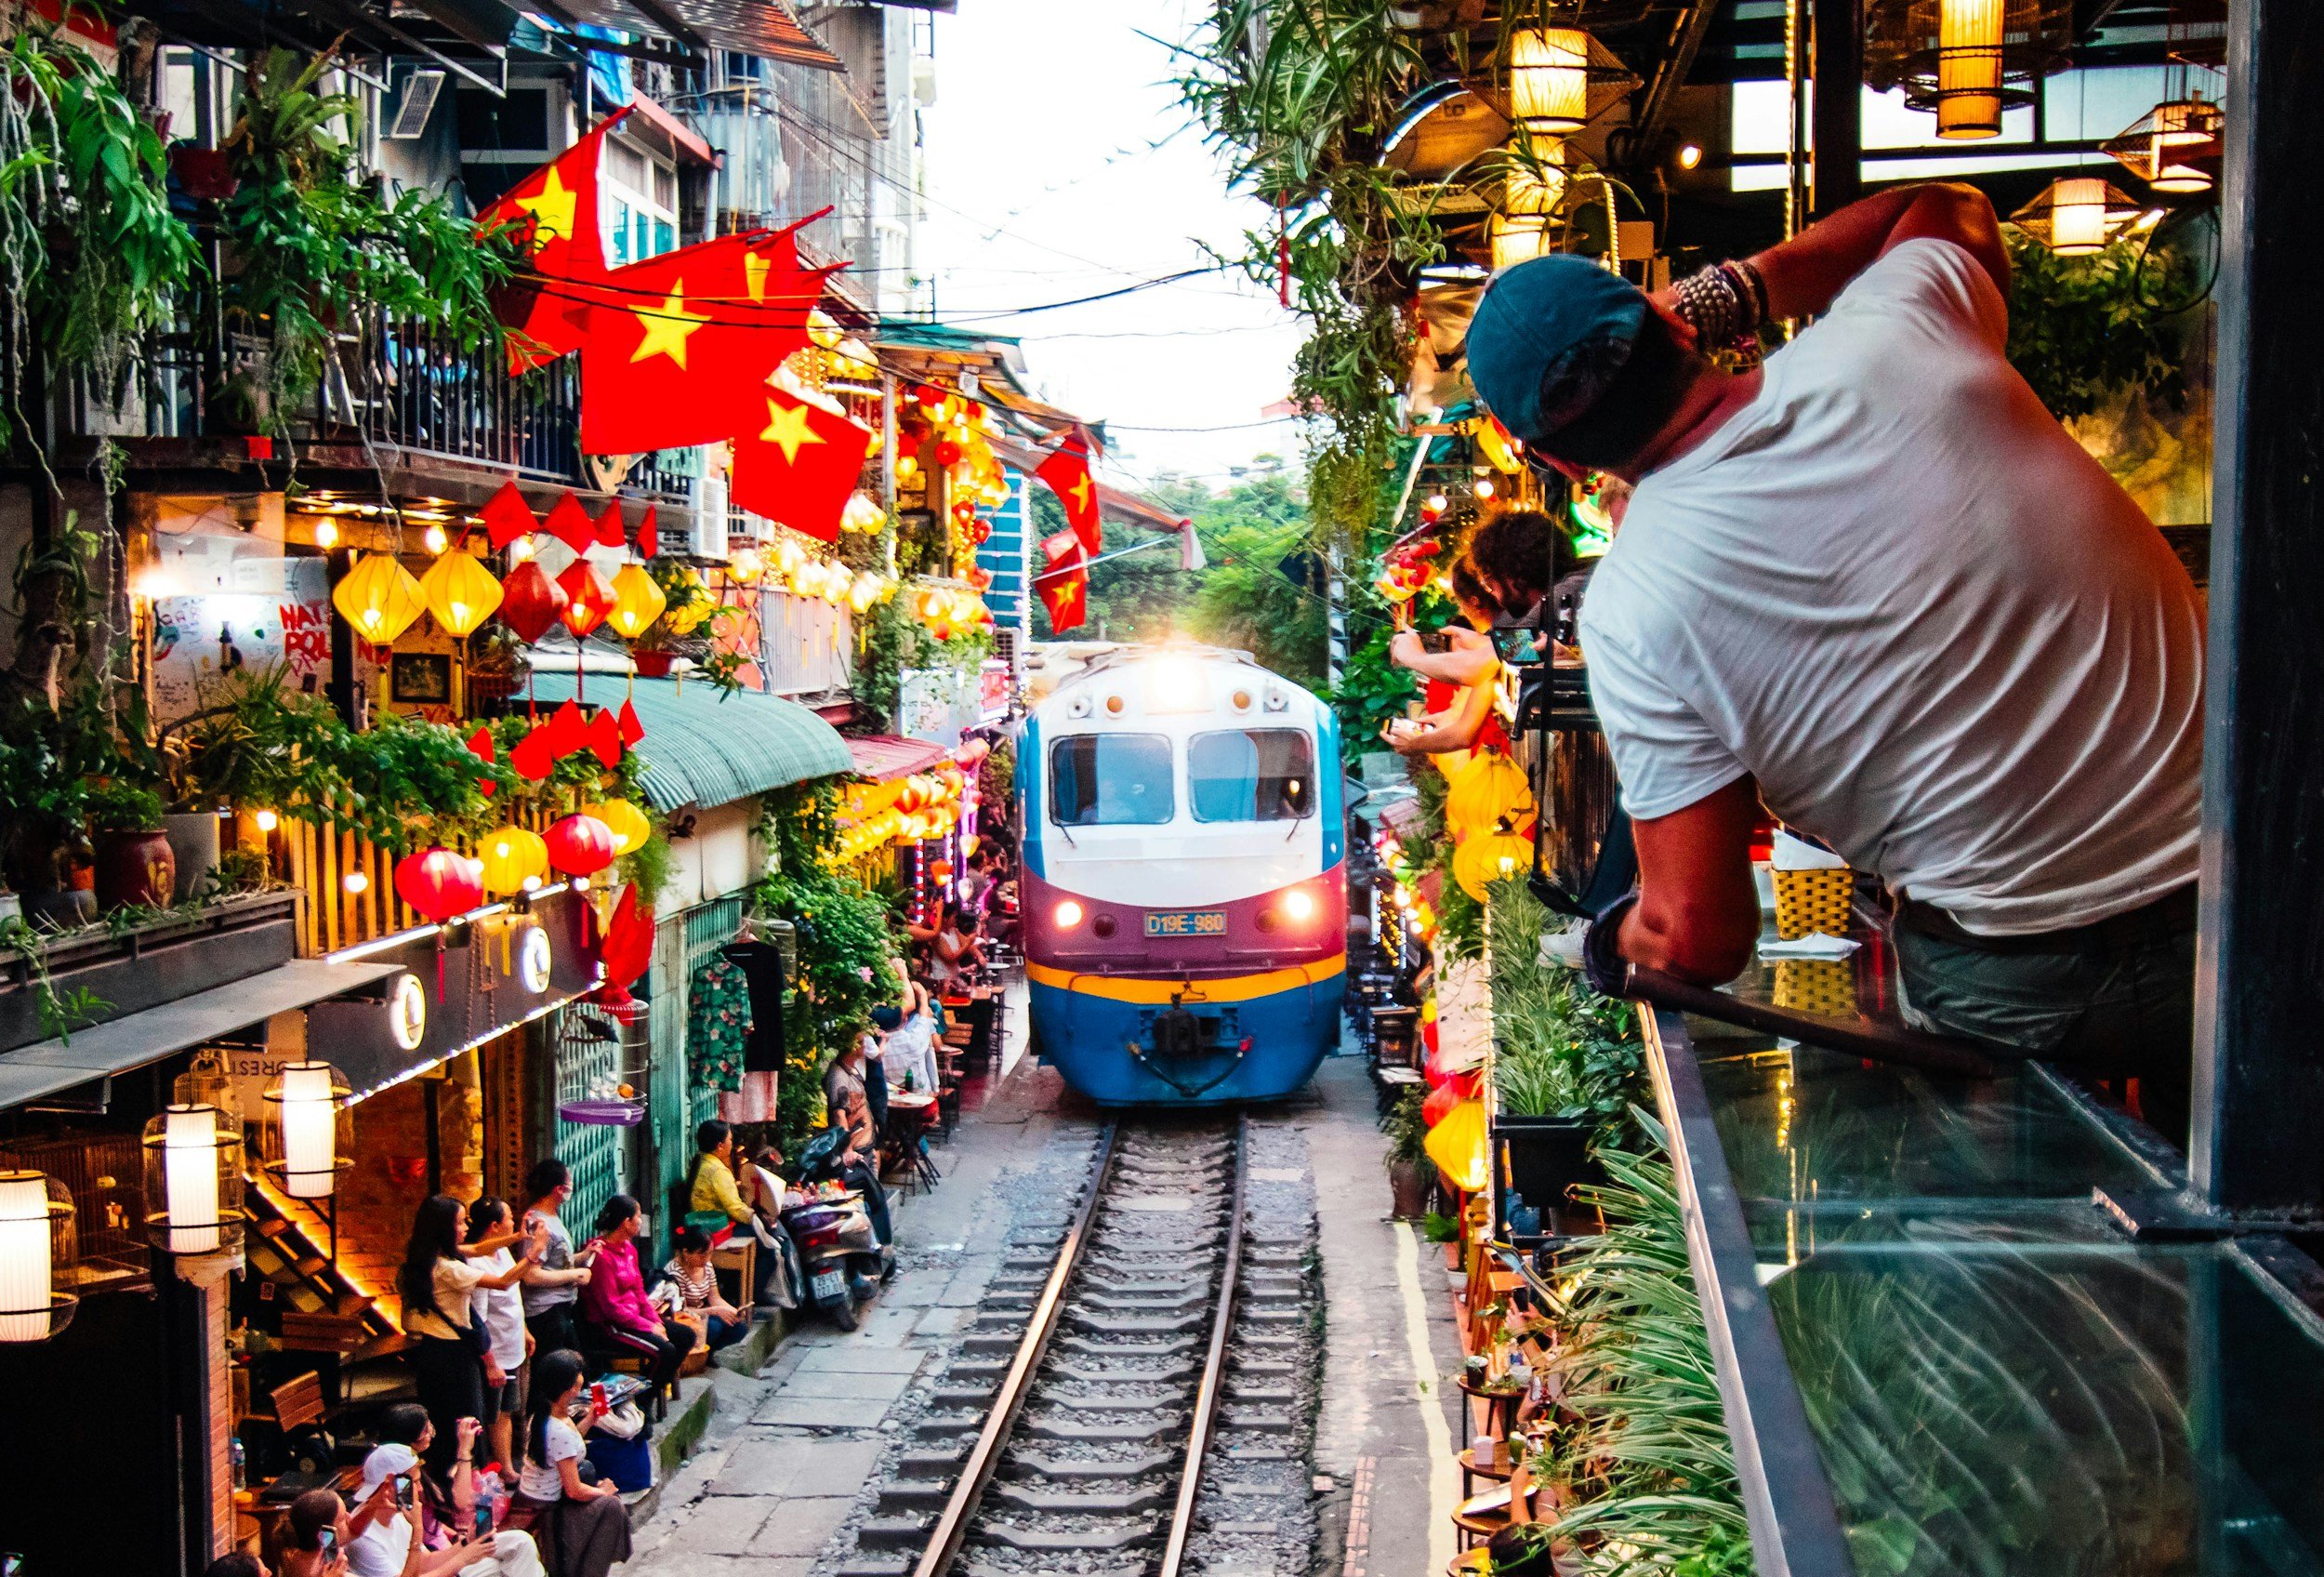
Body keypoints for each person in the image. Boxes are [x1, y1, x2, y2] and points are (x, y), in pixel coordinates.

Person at [1464, 181, 2204, 1140]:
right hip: (2260, 885)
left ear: (1558, 463)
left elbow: (1695, 934)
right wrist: (1742, 285)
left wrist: (1614, 940)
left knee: (2033, 1267)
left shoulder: (1634, 607)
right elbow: (1944, 208)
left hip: (2024, 983)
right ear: (1675, 324)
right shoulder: (1901, 332)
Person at [399, 1197, 540, 1479]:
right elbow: (502, 1282)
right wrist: (533, 1255)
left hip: (433, 1352)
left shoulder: (426, 1256)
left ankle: (455, 1482)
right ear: (444, 1228)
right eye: (461, 1222)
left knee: (446, 1423)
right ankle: (460, 1486)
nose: (466, 1227)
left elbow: (477, 1247)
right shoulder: (447, 1268)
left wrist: (517, 1237)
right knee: (465, 1425)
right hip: (452, 1358)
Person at [346, 1408, 535, 1577]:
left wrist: (466, 1543)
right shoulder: (366, 1537)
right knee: (497, 1568)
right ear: (389, 1486)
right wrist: (462, 1559)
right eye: (416, 1482)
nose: (420, 1489)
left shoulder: (398, 1513)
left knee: (520, 1542)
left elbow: (425, 1563)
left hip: (446, 1560)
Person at [508, 1349, 632, 1577]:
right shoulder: (556, 1428)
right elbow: (574, 1490)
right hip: (546, 1507)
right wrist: (603, 1492)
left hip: (537, 1496)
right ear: (571, 1389)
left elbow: (568, 1445)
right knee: (612, 1507)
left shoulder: (545, 1415)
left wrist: (591, 1419)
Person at [1385, 561, 1511, 760]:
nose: (1461, 611)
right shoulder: (1508, 633)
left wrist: (1411, 656)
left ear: (1475, 601)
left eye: (1458, 602)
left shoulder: (1507, 634)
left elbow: (1462, 735)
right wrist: (1447, 717)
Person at [575, 1194, 697, 1398]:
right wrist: (649, 1327)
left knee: (686, 1336)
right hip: (610, 1327)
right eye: (638, 1217)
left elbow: (639, 1293)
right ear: (626, 1222)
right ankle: (645, 1400)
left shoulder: (630, 1250)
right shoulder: (601, 1256)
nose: (641, 1221)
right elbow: (610, 1307)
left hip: (634, 1318)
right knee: (664, 1351)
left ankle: (652, 1391)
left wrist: (654, 1321)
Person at [463, 1198, 533, 1486]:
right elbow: (477, 1317)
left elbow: (513, 1296)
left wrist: (525, 1330)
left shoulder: (502, 1251)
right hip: (496, 1351)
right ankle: (502, 1466)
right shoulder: (475, 1262)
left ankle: (508, 1462)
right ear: (494, 1226)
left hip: (513, 1344)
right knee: (495, 1413)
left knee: (508, 1409)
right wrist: (489, 1360)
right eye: (508, 1219)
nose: (513, 1223)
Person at [819, 1036, 894, 1245]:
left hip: (866, 1145)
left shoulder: (852, 1069)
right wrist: (847, 1148)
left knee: (874, 1196)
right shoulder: (838, 1076)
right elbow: (839, 1114)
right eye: (861, 1042)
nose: (865, 1046)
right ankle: (872, 1245)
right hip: (857, 1149)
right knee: (870, 1200)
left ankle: (877, 1244)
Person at [517, 1161, 596, 1358]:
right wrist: (575, 1274)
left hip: (562, 1307)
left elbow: (555, 1262)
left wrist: (583, 1257)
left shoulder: (552, 1217)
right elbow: (531, 1275)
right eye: (568, 1182)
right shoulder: (539, 1223)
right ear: (559, 1189)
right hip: (545, 1311)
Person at [659, 1226, 748, 1350]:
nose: (707, 1259)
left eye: (710, 1254)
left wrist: (732, 1311)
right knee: (712, 1328)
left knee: (739, 1328)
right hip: (685, 1317)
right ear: (686, 1253)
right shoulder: (674, 1273)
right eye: (702, 1255)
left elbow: (714, 1297)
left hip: (703, 1312)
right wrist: (715, 1311)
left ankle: (708, 1353)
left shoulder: (707, 1266)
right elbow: (680, 1311)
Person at [686, 1119, 751, 1230]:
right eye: (730, 1139)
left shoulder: (701, 1161)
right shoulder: (718, 1170)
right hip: (713, 1228)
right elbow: (735, 1209)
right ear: (720, 1146)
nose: (731, 1143)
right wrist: (755, 1217)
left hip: (701, 1224)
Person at [281, 1488, 351, 1577]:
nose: (350, 1519)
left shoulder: (297, 1557)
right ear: (325, 1536)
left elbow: (356, 1531)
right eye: (342, 1519)